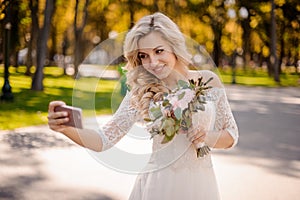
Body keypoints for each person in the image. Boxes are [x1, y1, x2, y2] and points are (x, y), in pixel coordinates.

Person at [48, 12, 238, 200]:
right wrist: (65, 128)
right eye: (143, 56)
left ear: (174, 47)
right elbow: (102, 140)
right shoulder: (141, 91)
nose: (152, 62)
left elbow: (231, 135)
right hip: (160, 184)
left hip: (201, 183)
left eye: (158, 51)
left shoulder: (207, 81)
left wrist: (206, 137)